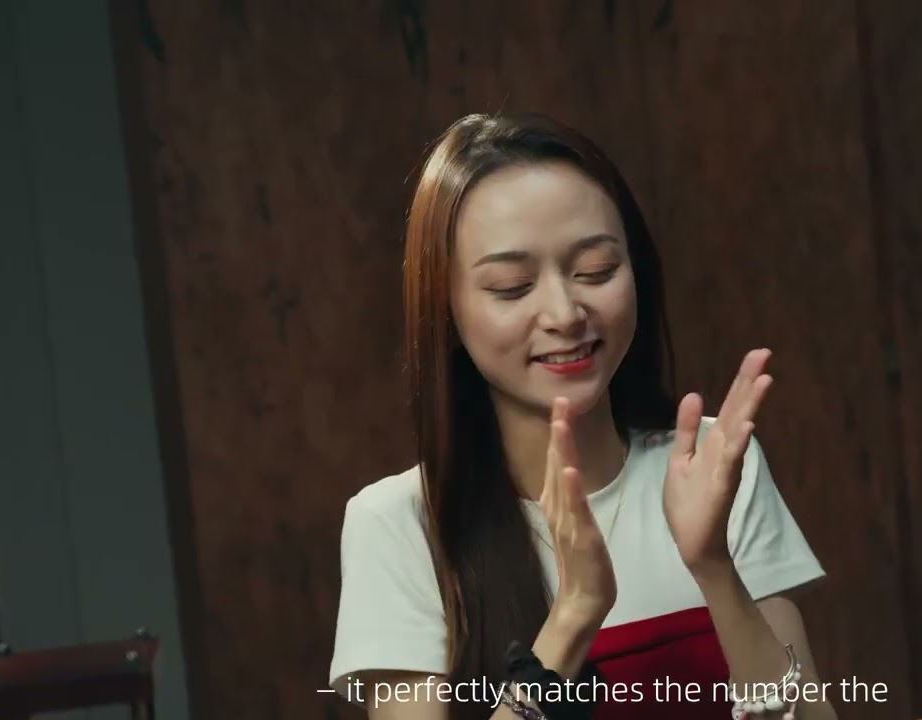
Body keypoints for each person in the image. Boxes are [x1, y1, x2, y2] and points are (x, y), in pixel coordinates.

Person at [328, 113, 835, 720]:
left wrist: (714, 568)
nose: (565, 313)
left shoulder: (713, 465)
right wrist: (572, 618)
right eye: (512, 286)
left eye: (595, 270)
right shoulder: (402, 525)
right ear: (447, 313)